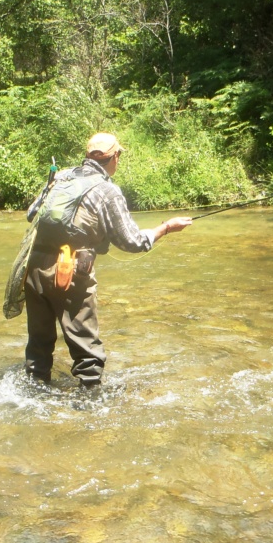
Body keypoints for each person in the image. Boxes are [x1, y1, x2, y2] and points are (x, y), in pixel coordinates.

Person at [23, 132, 192, 385]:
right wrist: (166, 227)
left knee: (38, 345)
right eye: (119, 156)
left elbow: (31, 214)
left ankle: (32, 399)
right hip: (70, 272)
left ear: (88, 156)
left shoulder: (61, 176)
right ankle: (90, 411)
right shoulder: (107, 191)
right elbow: (133, 242)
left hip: (33, 266)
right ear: (114, 157)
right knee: (87, 353)